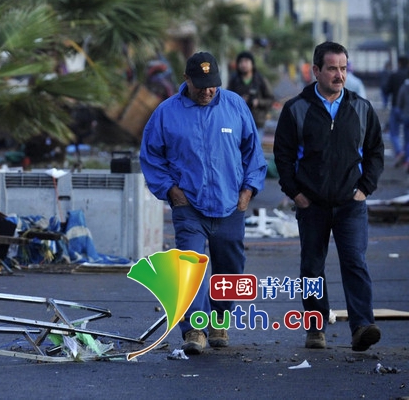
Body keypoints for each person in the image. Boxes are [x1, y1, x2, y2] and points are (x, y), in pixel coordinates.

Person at [140, 51, 267, 355]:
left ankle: (219, 318)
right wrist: (171, 191)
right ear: (186, 80)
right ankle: (194, 329)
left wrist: (248, 191)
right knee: (190, 265)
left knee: (231, 268)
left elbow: (254, 153)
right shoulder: (166, 113)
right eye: (201, 86)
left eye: (212, 85)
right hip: (189, 207)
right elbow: (151, 156)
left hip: (230, 205)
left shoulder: (235, 105)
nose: (207, 91)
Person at [273, 42, 384, 351]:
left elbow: (375, 152)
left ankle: (362, 325)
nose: (339, 75)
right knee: (311, 266)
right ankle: (315, 327)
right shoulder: (296, 109)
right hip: (312, 205)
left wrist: (364, 190)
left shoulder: (361, 108)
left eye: (344, 68)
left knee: (355, 263)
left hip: (350, 204)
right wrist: (295, 193)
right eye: (333, 68)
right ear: (316, 70)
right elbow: (282, 156)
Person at [227, 50, 275, 130]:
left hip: (257, 122)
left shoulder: (260, 80)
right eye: (241, 62)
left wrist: (258, 102)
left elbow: (271, 99)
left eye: (246, 61)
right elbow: (227, 99)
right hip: (238, 121)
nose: (243, 64)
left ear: (252, 64)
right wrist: (239, 101)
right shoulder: (234, 80)